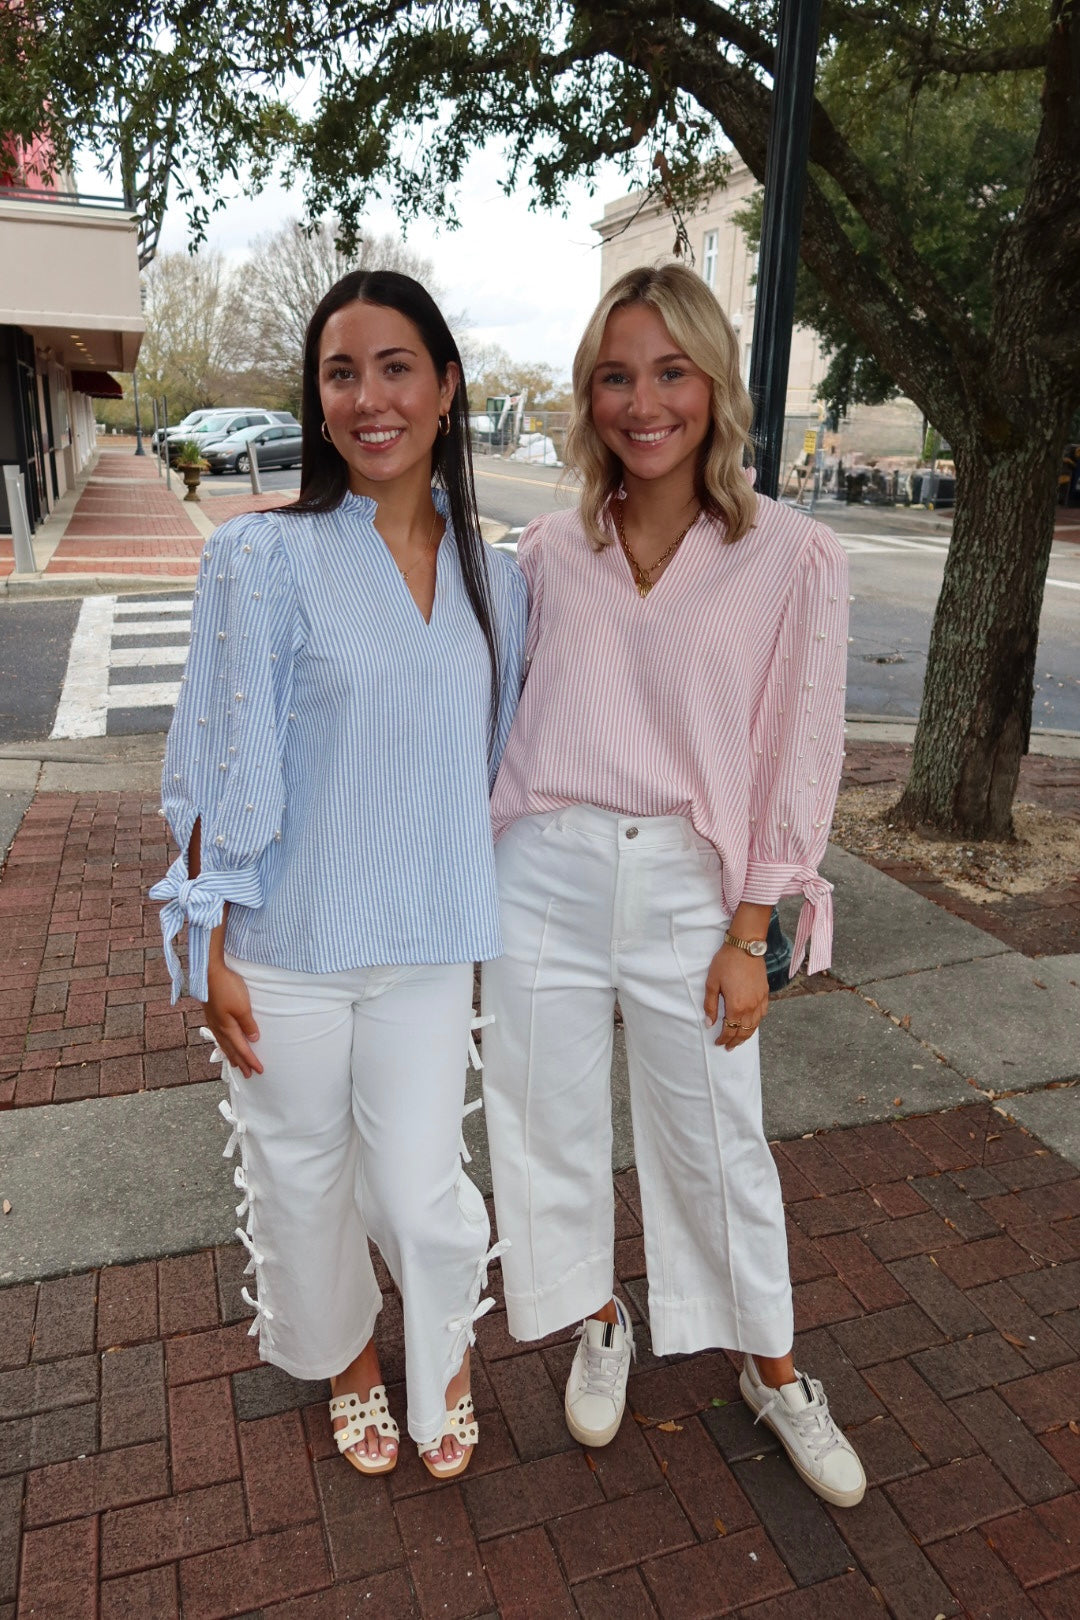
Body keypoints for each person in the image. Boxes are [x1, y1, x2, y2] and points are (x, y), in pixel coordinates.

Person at [481, 263, 867, 1508]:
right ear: (588, 394)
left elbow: (798, 751)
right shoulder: (549, 548)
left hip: (694, 888)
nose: (642, 402)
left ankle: (773, 1366)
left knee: (717, 1138)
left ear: (714, 384)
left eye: (670, 372)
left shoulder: (790, 556)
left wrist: (754, 928)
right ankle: (601, 1317)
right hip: (542, 866)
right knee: (545, 1118)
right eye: (614, 375)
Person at [151, 270, 526, 1482]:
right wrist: (205, 942)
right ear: (316, 401)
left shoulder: (500, 579)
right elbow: (217, 758)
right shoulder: (264, 558)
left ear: (446, 384)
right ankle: (353, 1364)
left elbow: (499, 758)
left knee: (421, 1191)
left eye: (396, 366)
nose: (370, 398)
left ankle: (446, 1351)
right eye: (340, 373)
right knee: (304, 1181)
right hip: (287, 946)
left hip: (427, 947)